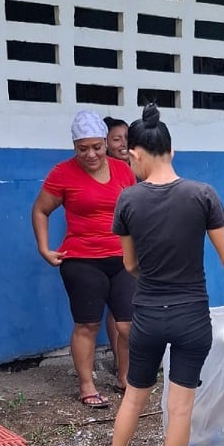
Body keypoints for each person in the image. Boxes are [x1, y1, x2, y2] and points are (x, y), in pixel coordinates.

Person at [105, 104, 224, 446]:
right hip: (192, 317)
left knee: (134, 398)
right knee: (180, 407)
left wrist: (152, 278)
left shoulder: (128, 200)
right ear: (171, 151)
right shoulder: (202, 195)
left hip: (146, 315)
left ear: (136, 154)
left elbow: (129, 264)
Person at [31, 110, 136, 407]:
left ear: (105, 143)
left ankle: (124, 377)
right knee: (87, 325)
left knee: (128, 326)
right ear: (74, 146)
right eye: (82, 148)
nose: (90, 154)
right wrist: (44, 247)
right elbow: (40, 210)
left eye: (96, 147)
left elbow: (135, 210)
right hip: (81, 260)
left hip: (122, 258)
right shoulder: (62, 173)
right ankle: (87, 385)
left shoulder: (123, 171)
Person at [102, 116, 131, 378]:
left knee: (131, 306)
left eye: (126, 137)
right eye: (116, 139)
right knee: (116, 308)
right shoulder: (103, 172)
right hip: (111, 246)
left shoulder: (136, 167)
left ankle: (131, 359)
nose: (123, 143)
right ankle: (117, 357)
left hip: (135, 243)